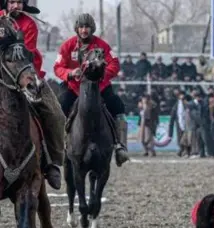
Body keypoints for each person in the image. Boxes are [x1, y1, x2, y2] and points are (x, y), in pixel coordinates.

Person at [0, 0, 66, 189]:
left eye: (19, 2)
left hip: (26, 75)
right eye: (12, 1)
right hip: (0, 77)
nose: (15, 6)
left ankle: (52, 162)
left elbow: (24, 55)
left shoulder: (29, 25)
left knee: (56, 114)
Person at [53, 13, 129, 167]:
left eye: (87, 27)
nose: (84, 30)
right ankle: (58, 147)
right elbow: (58, 67)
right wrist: (70, 73)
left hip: (99, 87)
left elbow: (114, 64)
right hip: (74, 88)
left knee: (117, 106)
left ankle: (120, 146)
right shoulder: (67, 46)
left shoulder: (102, 46)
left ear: (92, 28)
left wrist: (102, 75)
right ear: (77, 28)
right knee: (59, 107)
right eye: (81, 27)